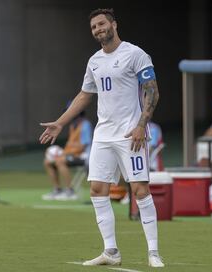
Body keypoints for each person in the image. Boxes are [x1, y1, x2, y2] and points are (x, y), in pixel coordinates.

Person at [39, 8, 164, 267]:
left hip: (131, 134)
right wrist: (61, 123)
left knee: (140, 190)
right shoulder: (94, 61)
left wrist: (142, 125)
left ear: (114, 25)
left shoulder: (135, 54)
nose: (98, 29)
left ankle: (153, 252)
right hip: (103, 135)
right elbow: (84, 95)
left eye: (102, 24)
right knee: (97, 189)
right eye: (94, 27)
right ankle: (111, 252)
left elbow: (152, 91)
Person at [42, 108, 92, 201]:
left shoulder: (85, 125)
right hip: (72, 154)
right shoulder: (73, 125)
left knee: (60, 161)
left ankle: (70, 191)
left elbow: (83, 146)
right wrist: (63, 153)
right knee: (47, 162)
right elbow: (70, 144)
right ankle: (57, 190)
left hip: (84, 156)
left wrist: (65, 154)